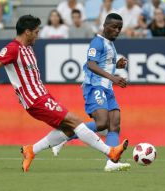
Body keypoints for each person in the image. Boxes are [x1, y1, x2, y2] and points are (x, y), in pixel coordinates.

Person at [0, 14, 128, 172]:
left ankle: (31, 150)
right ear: (27, 32)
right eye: (36, 32)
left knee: (68, 129)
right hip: (35, 99)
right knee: (75, 121)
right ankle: (110, 152)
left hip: (42, 95)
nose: (38, 36)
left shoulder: (28, 48)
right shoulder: (12, 49)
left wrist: (114, 65)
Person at [52, 13, 131, 172]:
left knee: (114, 125)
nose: (117, 31)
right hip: (95, 86)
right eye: (114, 27)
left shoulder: (109, 44)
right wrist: (113, 77)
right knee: (102, 123)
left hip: (107, 87)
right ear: (105, 25)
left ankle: (112, 163)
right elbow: (91, 64)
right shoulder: (97, 42)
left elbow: (104, 64)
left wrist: (117, 65)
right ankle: (65, 136)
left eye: (119, 28)